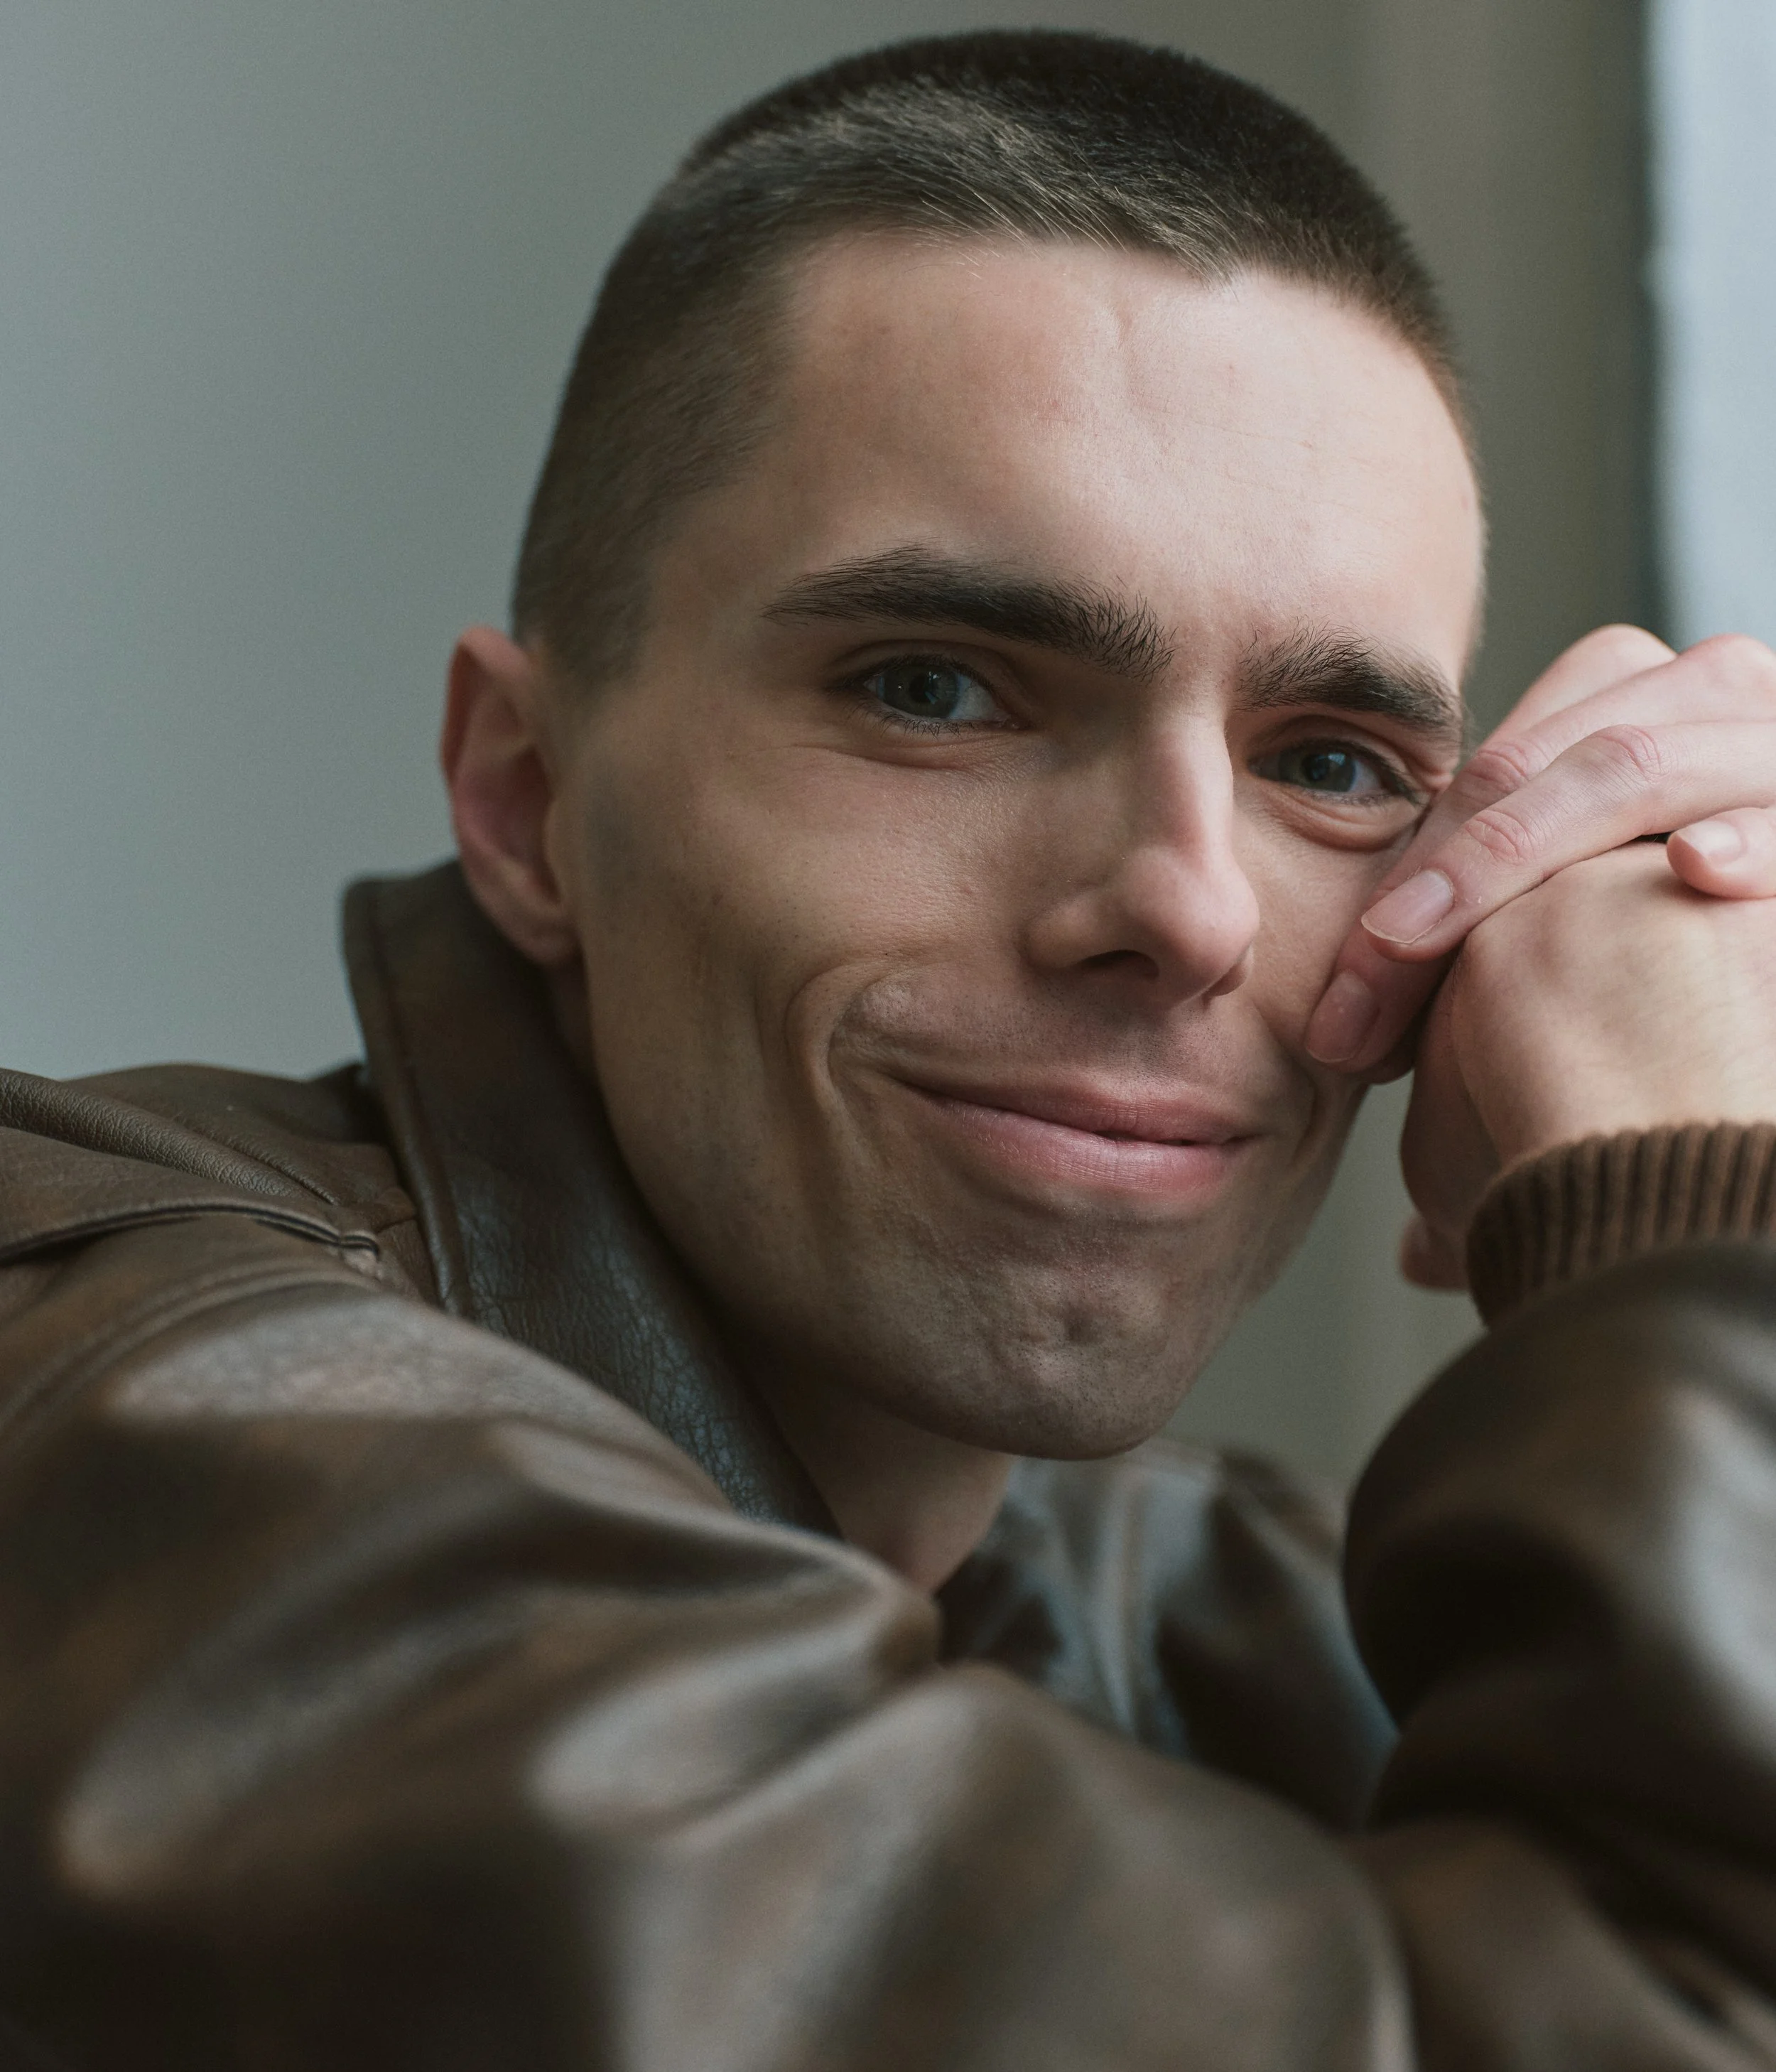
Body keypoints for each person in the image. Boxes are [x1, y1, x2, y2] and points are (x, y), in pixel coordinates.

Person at [6, 28, 1776, 2068]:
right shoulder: (114, 1403)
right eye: (937, 688)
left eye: (1329, 761)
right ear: (522, 798)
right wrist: (1683, 1236)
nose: (1188, 906)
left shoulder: (1250, 1614)